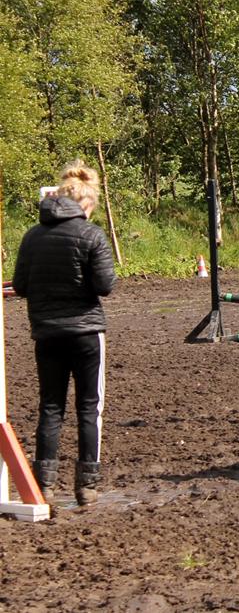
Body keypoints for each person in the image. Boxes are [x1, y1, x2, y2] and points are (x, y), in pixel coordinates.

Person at [12, 160, 116, 507]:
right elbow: (104, 286)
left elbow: (22, 286)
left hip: (47, 333)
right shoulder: (91, 234)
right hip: (86, 332)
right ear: (86, 203)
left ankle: (44, 484)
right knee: (89, 408)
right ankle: (86, 485)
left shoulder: (31, 235)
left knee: (50, 408)